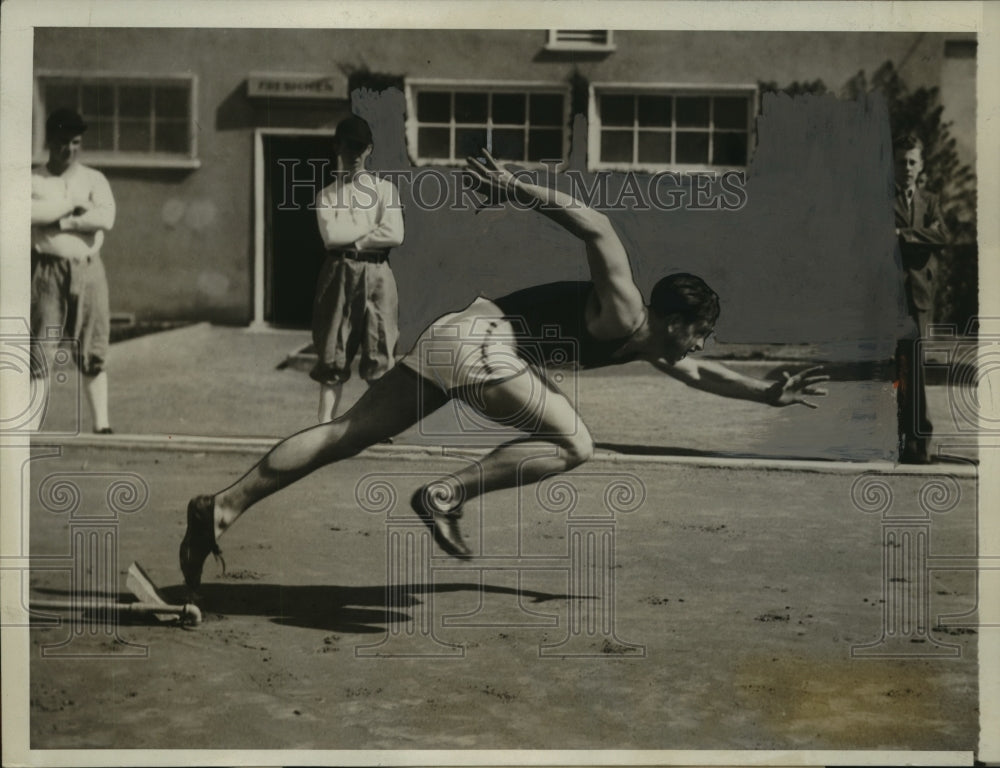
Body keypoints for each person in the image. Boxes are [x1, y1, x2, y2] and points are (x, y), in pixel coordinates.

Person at [179, 149, 828, 590]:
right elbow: (597, 225)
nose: (703, 344)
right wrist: (516, 187)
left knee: (349, 432)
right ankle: (445, 495)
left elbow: (699, 376)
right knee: (576, 443)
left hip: (456, 332)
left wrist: (764, 393)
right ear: (675, 316)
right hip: (485, 343)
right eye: (702, 331)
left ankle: (223, 507)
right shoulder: (628, 306)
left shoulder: (652, 344)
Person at [311, 115, 404, 423]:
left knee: (380, 348)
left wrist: (358, 238)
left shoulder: (385, 190)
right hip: (339, 272)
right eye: (347, 147)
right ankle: (323, 426)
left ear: (369, 150)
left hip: (378, 273)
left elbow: (395, 234)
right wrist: (370, 228)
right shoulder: (327, 195)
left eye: (358, 148)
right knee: (333, 349)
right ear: (337, 147)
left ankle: (378, 425)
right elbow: (332, 237)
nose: (353, 154)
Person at [29, 108, 117, 434]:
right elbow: (27, 213)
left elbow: (105, 218)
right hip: (47, 271)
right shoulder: (33, 179)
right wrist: (72, 205)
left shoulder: (94, 179)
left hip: (89, 269)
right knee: (40, 346)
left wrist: (63, 221)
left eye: (76, 142)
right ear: (50, 140)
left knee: (94, 343)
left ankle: (102, 426)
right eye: (63, 142)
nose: (70, 149)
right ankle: (31, 428)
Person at [893, 134, 948, 464]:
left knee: (913, 367)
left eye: (913, 161)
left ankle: (917, 442)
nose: (908, 167)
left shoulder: (930, 202)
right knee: (898, 367)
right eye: (902, 161)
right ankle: (903, 441)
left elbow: (942, 236)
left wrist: (903, 235)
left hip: (919, 296)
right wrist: (919, 240)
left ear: (922, 165)